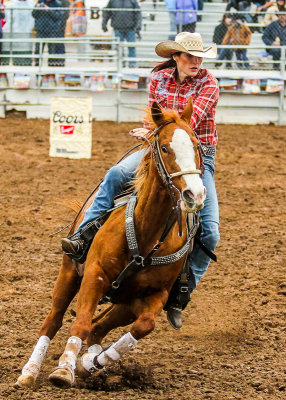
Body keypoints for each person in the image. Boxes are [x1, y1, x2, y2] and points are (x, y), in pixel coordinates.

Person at [62, 31, 220, 330]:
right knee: (117, 174)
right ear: (176, 57)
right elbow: (154, 117)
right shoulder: (159, 79)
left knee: (210, 232)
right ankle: (84, 235)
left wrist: (153, 129)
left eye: (199, 57)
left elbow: (187, 125)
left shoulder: (209, 84)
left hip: (196, 158)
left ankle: (179, 294)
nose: (196, 62)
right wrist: (149, 130)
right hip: (159, 149)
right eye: (190, 56)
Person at [102, 0, 142, 68]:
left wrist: (138, 26)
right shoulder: (113, 1)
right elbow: (107, 12)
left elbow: (138, 13)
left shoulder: (133, 1)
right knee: (119, 47)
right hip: (117, 28)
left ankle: (132, 64)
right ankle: (121, 64)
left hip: (131, 28)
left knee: (131, 47)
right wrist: (104, 23)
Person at [32, 0, 65, 66]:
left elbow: (58, 17)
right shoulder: (40, 2)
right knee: (38, 49)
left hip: (52, 30)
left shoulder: (57, 4)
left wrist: (49, 10)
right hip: (41, 29)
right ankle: (37, 64)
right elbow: (33, 15)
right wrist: (37, 9)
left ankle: (51, 65)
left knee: (52, 49)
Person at [2, 0, 34, 66]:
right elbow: (6, 19)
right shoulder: (12, 4)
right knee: (12, 53)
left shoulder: (31, 4)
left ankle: (24, 72)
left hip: (26, 34)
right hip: (13, 33)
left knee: (24, 54)